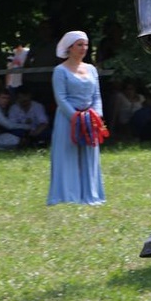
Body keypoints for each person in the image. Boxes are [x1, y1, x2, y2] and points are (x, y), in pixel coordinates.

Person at [47, 31, 108, 206]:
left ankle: (91, 194)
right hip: (68, 120)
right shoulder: (60, 71)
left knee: (89, 156)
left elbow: (97, 95)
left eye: (86, 45)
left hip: (90, 119)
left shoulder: (91, 69)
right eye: (79, 45)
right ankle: (67, 195)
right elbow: (61, 98)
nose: (84, 48)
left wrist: (95, 116)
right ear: (70, 47)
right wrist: (76, 118)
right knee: (67, 155)